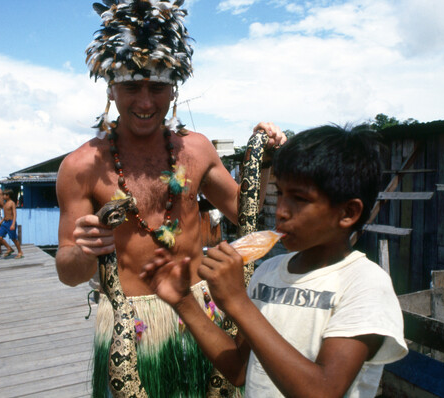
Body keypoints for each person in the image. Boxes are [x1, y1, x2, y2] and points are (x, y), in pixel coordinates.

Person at [55, 1, 285, 396]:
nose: (145, 102)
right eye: (132, 86)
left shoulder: (196, 150)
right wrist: (84, 250)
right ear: (111, 87)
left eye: (157, 87)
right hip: (133, 330)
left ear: (173, 88)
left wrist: (261, 159)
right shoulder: (81, 166)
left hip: (202, 316)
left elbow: (243, 212)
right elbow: (68, 272)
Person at [141, 125, 408, 397]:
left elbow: (323, 391)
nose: (280, 211)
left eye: (300, 199)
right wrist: (184, 302)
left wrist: (237, 302)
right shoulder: (268, 271)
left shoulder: (365, 284)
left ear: (348, 213)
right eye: (280, 193)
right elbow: (238, 370)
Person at [0, 189, 23, 259]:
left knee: (14, 238)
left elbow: (14, 214)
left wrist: (13, 224)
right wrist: (0, 222)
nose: (3, 196)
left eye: (5, 195)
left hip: (11, 222)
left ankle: (20, 252)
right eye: (3, 195)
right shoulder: (5, 204)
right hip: (5, 222)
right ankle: (9, 248)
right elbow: (5, 216)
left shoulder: (12, 203)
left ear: (8, 196)